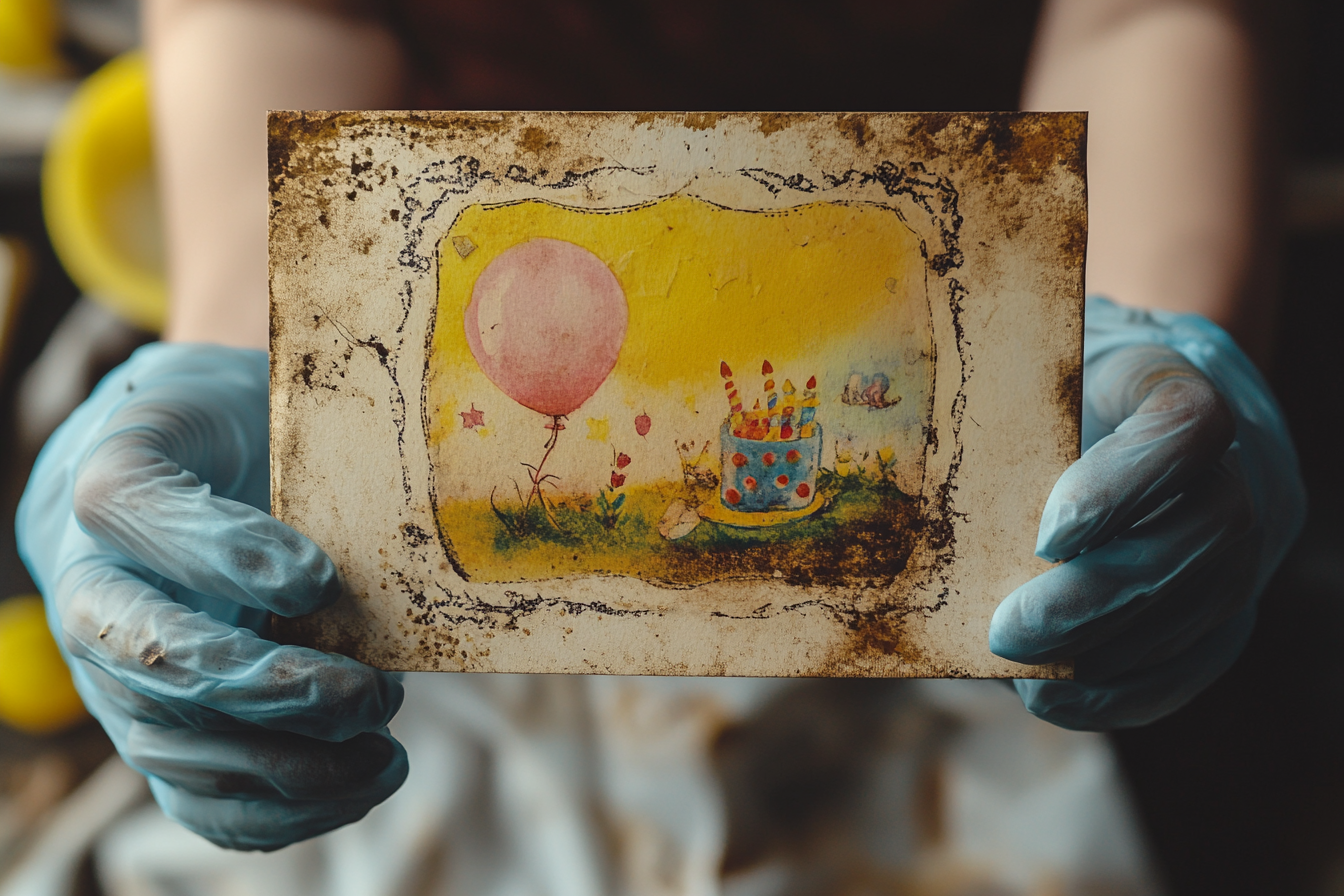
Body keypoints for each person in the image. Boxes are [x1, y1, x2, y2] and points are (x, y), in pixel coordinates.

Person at [15, 0, 1304, 879]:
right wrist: (257, 359)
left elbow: (1143, 13)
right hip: (444, 342)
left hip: (974, 363)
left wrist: (1141, 349)